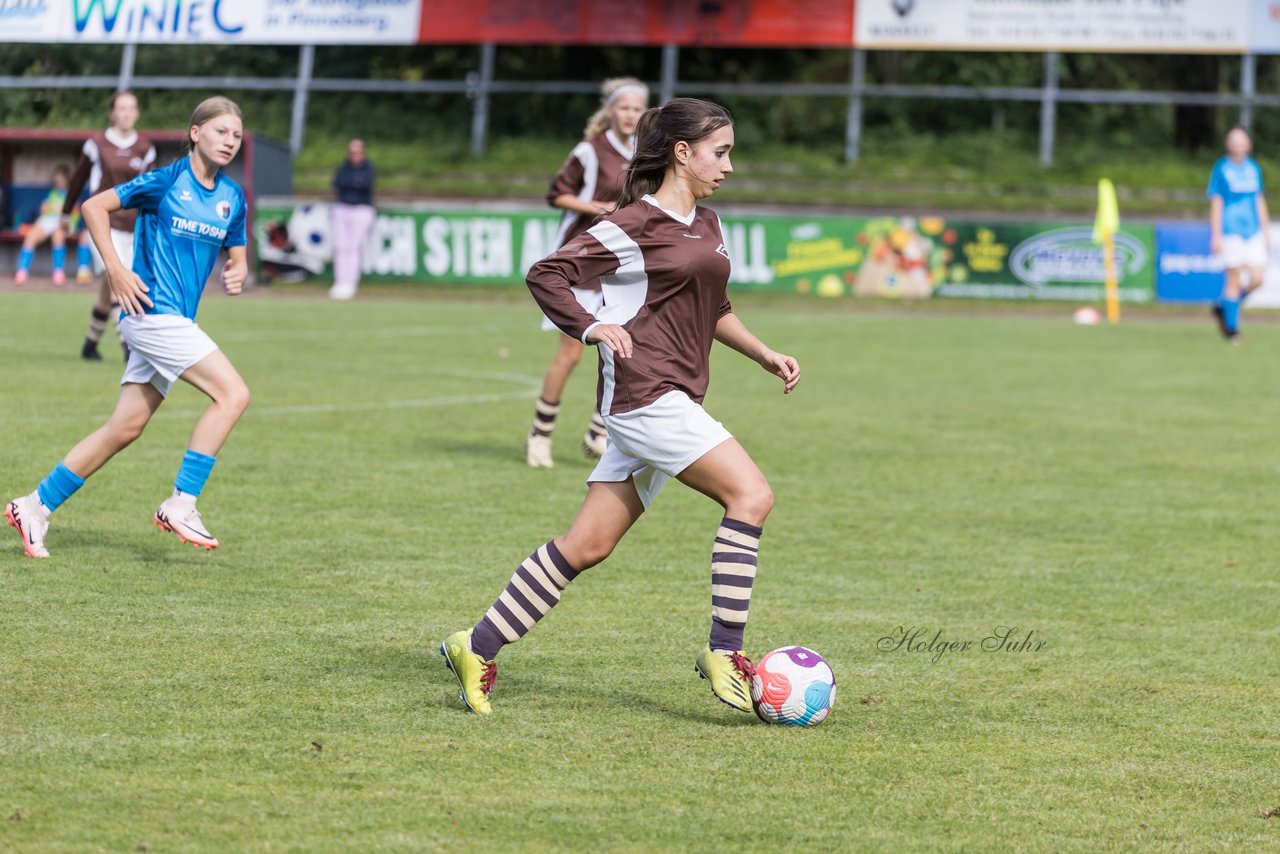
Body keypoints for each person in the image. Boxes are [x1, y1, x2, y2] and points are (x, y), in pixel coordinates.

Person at [440, 98, 801, 716]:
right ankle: (724, 650)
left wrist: (763, 353)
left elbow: (713, 309)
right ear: (682, 153)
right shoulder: (632, 222)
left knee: (587, 546)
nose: (730, 165)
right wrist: (590, 327)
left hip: (669, 399)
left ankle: (474, 645)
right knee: (752, 496)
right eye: (721, 152)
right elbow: (547, 273)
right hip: (646, 397)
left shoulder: (709, 225)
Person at [6, 96, 250, 559]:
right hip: (151, 314)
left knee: (125, 427)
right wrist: (116, 269)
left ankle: (34, 506)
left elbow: (237, 253)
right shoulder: (164, 181)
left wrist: (235, 271)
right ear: (195, 133)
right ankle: (182, 503)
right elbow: (94, 206)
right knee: (233, 395)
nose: (230, 142)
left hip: (176, 320)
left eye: (236, 136)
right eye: (221, 132)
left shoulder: (231, 197)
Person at [525, 77, 649, 468]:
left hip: (621, 266)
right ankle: (539, 435)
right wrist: (599, 208)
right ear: (610, 110)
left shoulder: (646, 151)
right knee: (571, 354)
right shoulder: (590, 150)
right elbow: (556, 194)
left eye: (636, 108)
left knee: (627, 348)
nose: (629, 115)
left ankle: (599, 432)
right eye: (623, 107)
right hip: (580, 263)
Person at [62, 90, 158, 362]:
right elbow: (78, 179)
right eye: (121, 108)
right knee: (119, 280)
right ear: (112, 113)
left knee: (111, 282)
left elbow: (151, 189)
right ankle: (130, 349)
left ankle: (90, 344)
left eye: (131, 108)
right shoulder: (96, 144)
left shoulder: (145, 147)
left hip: (132, 227)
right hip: (102, 224)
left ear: (137, 112)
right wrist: (65, 213)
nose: (127, 113)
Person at [1208, 126, 1270, 342]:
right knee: (1233, 279)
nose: (1237, 144)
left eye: (1241, 140)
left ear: (1248, 144)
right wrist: (1215, 234)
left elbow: (1259, 199)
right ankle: (1232, 330)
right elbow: (1216, 201)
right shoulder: (1221, 168)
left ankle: (1224, 307)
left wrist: (1266, 231)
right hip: (1230, 230)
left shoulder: (1253, 168)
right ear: (1228, 144)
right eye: (1233, 140)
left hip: (1252, 230)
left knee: (1257, 279)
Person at [329, 138, 375, 300]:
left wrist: (354, 184)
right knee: (341, 247)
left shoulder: (368, 168)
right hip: (343, 208)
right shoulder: (343, 168)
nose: (354, 155)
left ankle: (351, 282)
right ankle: (340, 281)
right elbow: (339, 183)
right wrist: (354, 183)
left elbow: (365, 186)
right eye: (351, 152)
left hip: (361, 209)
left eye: (357, 152)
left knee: (354, 247)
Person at [13, 165, 72, 287]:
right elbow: (43, 209)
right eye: (56, 178)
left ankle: (58, 273)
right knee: (30, 237)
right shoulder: (51, 193)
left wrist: (56, 210)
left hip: (62, 222)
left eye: (60, 177)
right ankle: (22, 272)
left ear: (66, 179)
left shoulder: (70, 193)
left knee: (58, 236)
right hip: (46, 220)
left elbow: (72, 212)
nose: (57, 180)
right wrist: (54, 208)